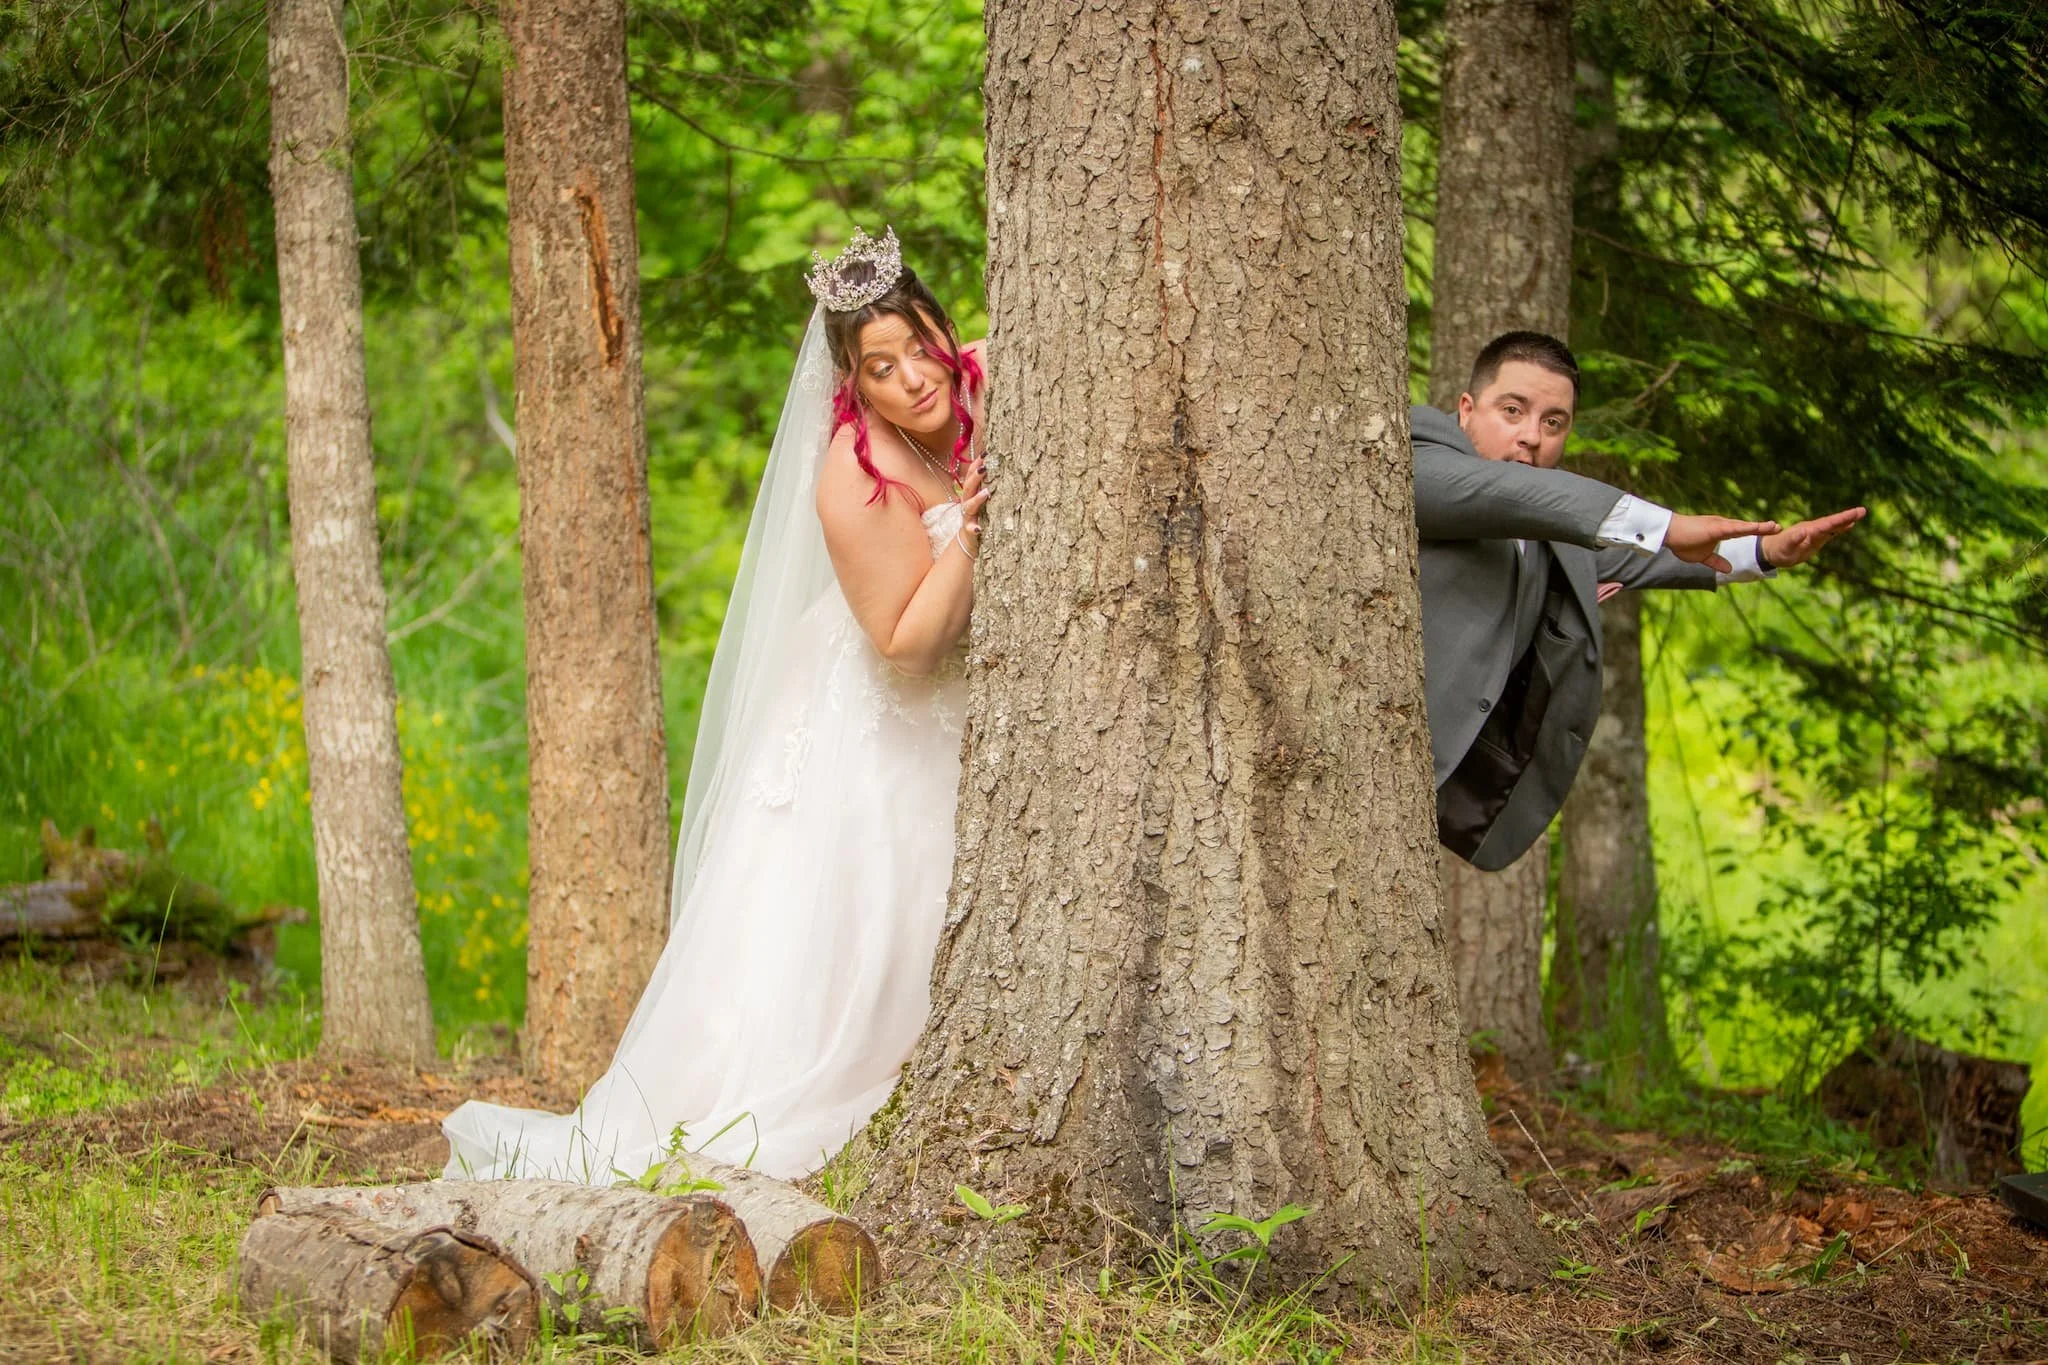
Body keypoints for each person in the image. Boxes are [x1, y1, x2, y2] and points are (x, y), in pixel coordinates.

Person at [441, 227, 992, 1182]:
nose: (913, 378)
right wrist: (969, 540)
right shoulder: (852, 480)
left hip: (961, 708)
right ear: (853, 388)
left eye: (918, 345)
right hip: (880, 712)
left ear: (945, 326)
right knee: (865, 905)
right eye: (881, 367)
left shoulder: (979, 379)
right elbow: (904, 646)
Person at [1415, 331, 1864, 871]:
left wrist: (1767, 551)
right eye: (1513, 410)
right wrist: (1667, 524)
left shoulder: (1553, 526)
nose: (1531, 437)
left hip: (1422, 793)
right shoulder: (1417, 451)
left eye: (1553, 423)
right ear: (1466, 410)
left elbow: (1645, 556)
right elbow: (1500, 496)